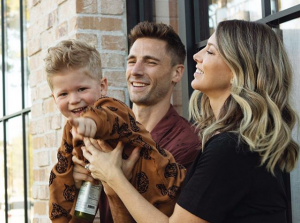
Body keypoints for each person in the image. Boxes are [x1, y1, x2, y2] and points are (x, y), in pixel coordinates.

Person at [81, 19, 300, 223]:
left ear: (237, 70)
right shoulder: (233, 142)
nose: (197, 55)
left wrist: (113, 177)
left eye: (210, 51)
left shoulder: (232, 148)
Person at [72, 21, 201, 223]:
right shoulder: (106, 130)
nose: (136, 71)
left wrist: (113, 184)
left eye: (150, 62)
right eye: (132, 61)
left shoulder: (188, 145)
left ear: (177, 72)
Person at [45, 39, 186, 223]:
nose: (74, 99)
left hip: (165, 194)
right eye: (63, 94)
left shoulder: (111, 107)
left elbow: (105, 120)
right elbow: (61, 173)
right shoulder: (70, 133)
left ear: (102, 86)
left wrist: (90, 124)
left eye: (81, 89)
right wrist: (71, 192)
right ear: (54, 98)